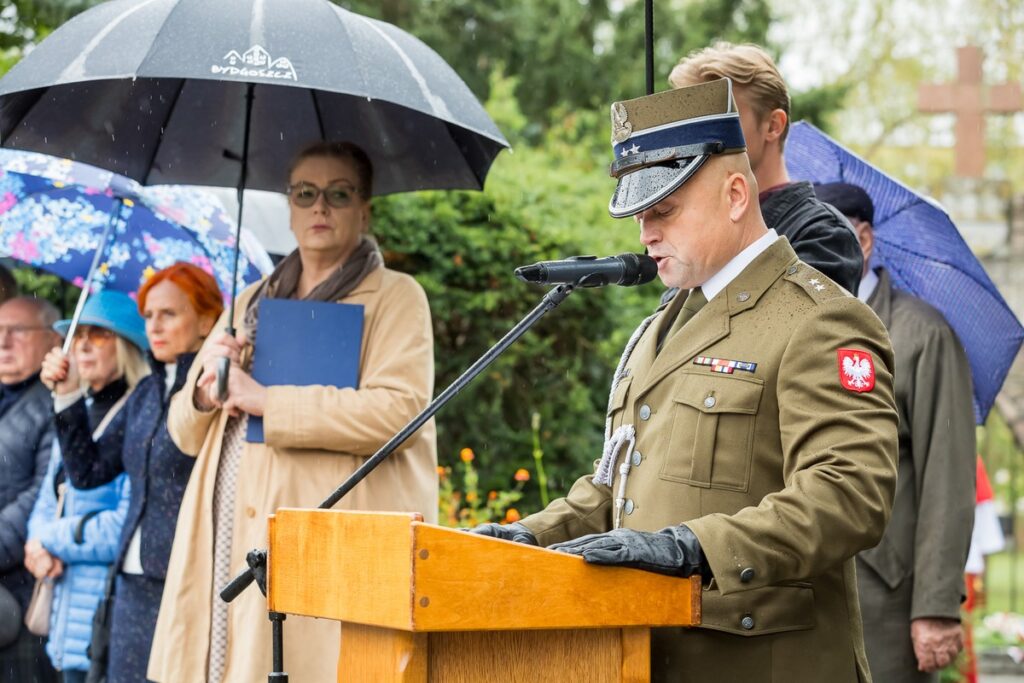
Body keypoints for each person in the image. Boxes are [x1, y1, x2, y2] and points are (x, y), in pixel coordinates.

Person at [474, 79, 899, 681]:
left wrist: (693, 550)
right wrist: (521, 541)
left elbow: (848, 494)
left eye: (664, 209)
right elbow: (614, 490)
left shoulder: (819, 320)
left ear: (733, 195)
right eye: (639, 214)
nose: (645, 233)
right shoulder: (658, 327)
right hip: (645, 656)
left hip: (762, 664)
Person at [147, 141, 438, 683]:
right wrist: (208, 388)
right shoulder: (251, 299)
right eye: (305, 193)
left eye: (338, 193)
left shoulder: (395, 297)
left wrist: (266, 400)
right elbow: (183, 432)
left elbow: (398, 415)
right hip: (225, 536)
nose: (319, 207)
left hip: (320, 540)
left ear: (365, 207)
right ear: (289, 205)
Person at [814, 181, 976, 682]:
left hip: (884, 590)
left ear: (863, 240)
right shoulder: (798, 326)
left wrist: (936, 608)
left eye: (825, 235)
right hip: (800, 589)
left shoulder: (923, 334)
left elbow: (947, 476)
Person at [41, 264, 223, 683]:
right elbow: (88, 472)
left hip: (189, 577)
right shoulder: (146, 393)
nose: (154, 326)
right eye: (148, 316)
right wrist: (68, 396)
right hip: (131, 579)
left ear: (207, 321)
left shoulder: (215, 391)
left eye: (169, 314)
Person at [666, 42, 863, 295]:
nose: (701, 136)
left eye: (723, 119)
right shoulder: (697, 230)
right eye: (695, 122)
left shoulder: (823, 235)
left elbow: (785, 327)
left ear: (773, 126)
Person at [26, 290, 150, 683]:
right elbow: (51, 493)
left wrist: (49, 539)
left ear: (129, 346)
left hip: (107, 607)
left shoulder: (137, 411)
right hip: (66, 606)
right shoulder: (77, 405)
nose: (82, 344)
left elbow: (123, 527)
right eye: (78, 334)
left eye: (99, 335)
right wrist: (34, 545)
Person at [0, 296, 61, 683]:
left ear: (54, 341)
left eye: (18, 331)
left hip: (22, 589)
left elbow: (41, 496)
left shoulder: (57, 405)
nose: (3, 341)